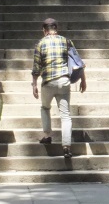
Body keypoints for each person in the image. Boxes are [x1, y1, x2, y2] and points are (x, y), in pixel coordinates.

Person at [31, 17, 86, 160]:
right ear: (56, 29)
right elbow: (78, 61)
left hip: (48, 82)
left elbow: (36, 67)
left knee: (45, 107)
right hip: (64, 81)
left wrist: (34, 84)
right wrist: (83, 80)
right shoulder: (66, 41)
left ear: (44, 31)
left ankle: (47, 135)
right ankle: (66, 146)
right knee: (65, 115)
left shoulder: (40, 44)